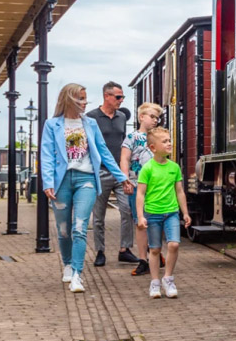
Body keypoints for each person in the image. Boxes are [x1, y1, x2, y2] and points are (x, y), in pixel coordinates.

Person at [41, 83, 132, 293]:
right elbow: (46, 155)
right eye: (81, 99)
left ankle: (77, 274)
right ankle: (67, 263)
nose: (84, 103)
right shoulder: (52, 125)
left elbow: (103, 152)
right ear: (70, 100)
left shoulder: (90, 124)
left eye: (85, 99)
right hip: (61, 181)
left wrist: (121, 177)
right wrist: (47, 183)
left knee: (79, 227)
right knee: (63, 231)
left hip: (87, 180)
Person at [86, 81, 139, 267]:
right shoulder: (91, 117)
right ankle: (100, 251)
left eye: (122, 97)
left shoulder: (122, 117)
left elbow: (124, 142)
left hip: (120, 172)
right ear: (106, 96)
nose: (121, 100)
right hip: (100, 172)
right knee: (99, 215)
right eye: (118, 97)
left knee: (127, 210)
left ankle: (125, 249)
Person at [136, 127, 191, 298]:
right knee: (154, 249)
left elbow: (180, 191)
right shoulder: (147, 168)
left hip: (171, 213)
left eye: (169, 140)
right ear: (153, 148)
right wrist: (140, 216)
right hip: (153, 214)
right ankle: (155, 282)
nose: (169, 143)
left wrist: (186, 213)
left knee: (174, 244)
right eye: (165, 141)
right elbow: (140, 193)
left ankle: (168, 278)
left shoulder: (174, 168)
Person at [120, 102, 162, 276]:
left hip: (157, 186)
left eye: (157, 118)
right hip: (137, 184)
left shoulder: (158, 137)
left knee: (157, 220)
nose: (155, 120)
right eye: (152, 117)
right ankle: (143, 259)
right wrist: (125, 180)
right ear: (141, 117)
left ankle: (156, 254)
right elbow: (125, 159)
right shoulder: (132, 137)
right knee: (140, 222)